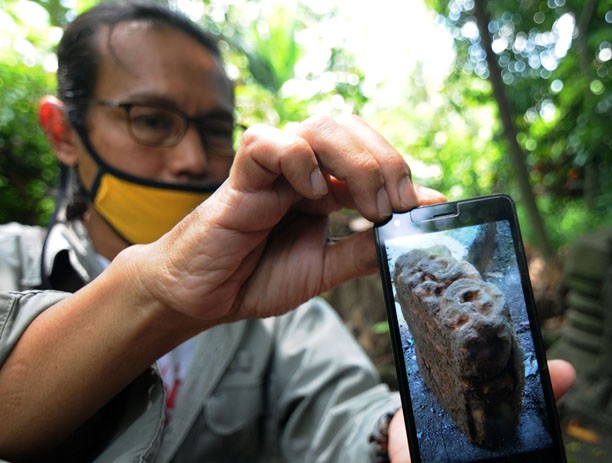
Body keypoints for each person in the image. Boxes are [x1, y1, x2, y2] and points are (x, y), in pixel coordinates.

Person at [0, 1, 575, 462]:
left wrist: (390, 436)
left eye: (216, 130)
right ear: (63, 131)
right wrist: (160, 295)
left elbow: (346, 412)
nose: (193, 159)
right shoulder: (8, 260)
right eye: (151, 120)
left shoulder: (280, 309)